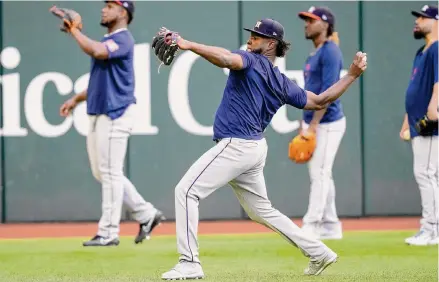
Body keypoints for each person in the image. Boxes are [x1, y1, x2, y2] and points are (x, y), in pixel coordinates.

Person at [159, 18, 367, 280]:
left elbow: (225, 58)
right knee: (261, 211)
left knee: (186, 191)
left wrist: (186, 43)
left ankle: (189, 262)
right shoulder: (282, 82)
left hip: (237, 144)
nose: (251, 38)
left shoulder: (250, 61)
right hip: (255, 148)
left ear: (271, 44)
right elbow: (320, 100)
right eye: (252, 34)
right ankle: (319, 252)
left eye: (257, 36)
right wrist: (351, 76)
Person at [59, 0, 164, 247]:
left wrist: (74, 31)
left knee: (110, 173)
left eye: (111, 6)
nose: (104, 9)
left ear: (123, 13)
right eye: (105, 5)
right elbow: (99, 81)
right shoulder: (108, 41)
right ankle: (147, 214)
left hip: (116, 112)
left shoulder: (124, 39)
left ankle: (108, 232)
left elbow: (96, 51)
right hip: (99, 111)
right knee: (103, 173)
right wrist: (75, 99)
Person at [297, 6, 345, 240]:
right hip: (315, 122)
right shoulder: (314, 53)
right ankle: (331, 225)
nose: (306, 24)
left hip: (329, 122)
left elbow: (328, 93)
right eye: (306, 20)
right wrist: (304, 122)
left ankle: (312, 223)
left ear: (325, 25)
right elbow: (309, 92)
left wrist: (313, 126)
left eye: (311, 20)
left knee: (321, 173)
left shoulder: (330, 51)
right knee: (322, 173)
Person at [400, 4, 438, 246]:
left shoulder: (437, 49)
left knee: (427, 174)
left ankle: (433, 229)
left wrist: (434, 108)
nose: (418, 21)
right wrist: (406, 120)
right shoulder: (421, 51)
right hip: (417, 123)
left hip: (430, 124)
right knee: (426, 173)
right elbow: (413, 88)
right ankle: (430, 227)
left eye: (423, 17)